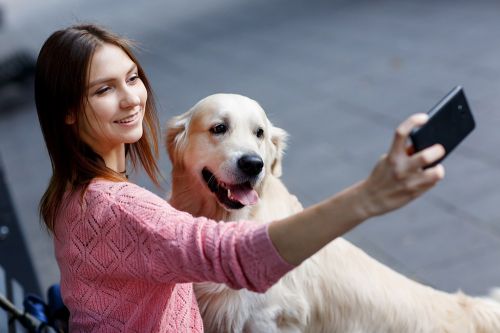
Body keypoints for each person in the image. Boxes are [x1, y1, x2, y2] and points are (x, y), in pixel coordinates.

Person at [34, 24, 445, 332]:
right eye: (103, 89)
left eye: (132, 77)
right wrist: (370, 196)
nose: (131, 98)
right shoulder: (119, 207)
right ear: (67, 111)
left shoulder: (74, 195)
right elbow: (237, 257)